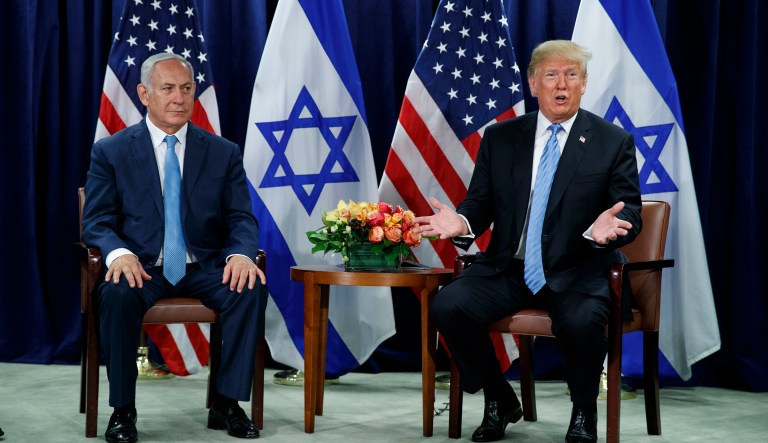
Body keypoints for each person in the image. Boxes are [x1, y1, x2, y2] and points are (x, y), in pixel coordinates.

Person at [413, 40, 642, 443]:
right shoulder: (502, 138)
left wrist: (607, 228)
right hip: (510, 268)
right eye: (551, 75)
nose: (562, 84)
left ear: (584, 84)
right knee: (448, 305)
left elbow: (630, 212)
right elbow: (479, 203)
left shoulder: (612, 141)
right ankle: (500, 398)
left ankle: (584, 412)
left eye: (572, 75)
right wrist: (461, 221)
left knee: (583, 321)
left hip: (577, 268)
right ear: (533, 83)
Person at [82, 53, 267, 442]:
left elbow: (241, 218)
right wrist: (118, 253)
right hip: (142, 267)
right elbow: (96, 221)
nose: (179, 98)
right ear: (144, 94)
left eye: (186, 89)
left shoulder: (223, 152)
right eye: (168, 89)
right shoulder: (111, 151)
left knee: (249, 287)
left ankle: (227, 402)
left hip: (203, 265)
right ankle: (123, 410)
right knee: (115, 294)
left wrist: (240, 255)